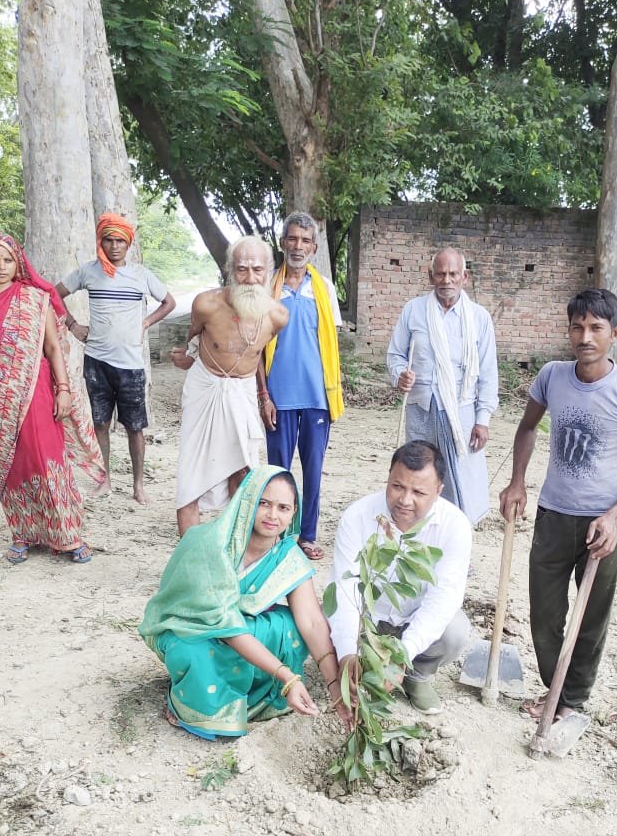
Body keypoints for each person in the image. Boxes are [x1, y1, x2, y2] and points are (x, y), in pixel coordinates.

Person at [499, 288, 617, 720]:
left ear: (614, 334)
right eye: (577, 327)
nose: (585, 337)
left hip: (601, 523)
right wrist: (517, 483)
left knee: (591, 619)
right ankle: (555, 689)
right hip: (553, 514)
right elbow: (527, 428)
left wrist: (614, 516)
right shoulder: (552, 376)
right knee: (544, 613)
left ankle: (571, 701)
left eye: (596, 328)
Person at [139, 465, 351, 740]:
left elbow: (312, 622)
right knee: (191, 651)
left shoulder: (287, 556)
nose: (272, 515)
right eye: (264, 503)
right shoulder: (212, 544)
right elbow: (225, 626)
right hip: (193, 630)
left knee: (292, 627)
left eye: (283, 508)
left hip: (240, 632)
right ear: (246, 501)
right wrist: (287, 677)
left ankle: (250, 696)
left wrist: (336, 688)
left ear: (294, 513)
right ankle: (190, 701)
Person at [0, 232, 105, 564]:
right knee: (11, 465)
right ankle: (23, 533)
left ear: (18, 262)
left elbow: (52, 347)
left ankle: (68, 534)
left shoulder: (35, 298)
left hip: (37, 390)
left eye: (8, 260)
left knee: (46, 457)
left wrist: (63, 389)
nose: (1, 266)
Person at [327, 441, 472, 716]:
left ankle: (417, 675)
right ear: (388, 478)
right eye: (397, 486)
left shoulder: (455, 526)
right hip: (368, 622)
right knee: (329, 624)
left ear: (439, 491)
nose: (405, 500)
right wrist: (347, 653)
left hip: (413, 620)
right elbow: (345, 588)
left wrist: (403, 655)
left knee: (455, 631)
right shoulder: (358, 516)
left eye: (418, 492)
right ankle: (366, 668)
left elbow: (443, 598)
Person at [170, 237, 288, 537]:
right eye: (242, 269)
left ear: (269, 271)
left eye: (257, 270)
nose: (250, 278)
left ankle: (234, 549)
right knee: (190, 476)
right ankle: (189, 557)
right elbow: (193, 341)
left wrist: (263, 395)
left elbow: (255, 355)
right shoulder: (206, 304)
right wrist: (186, 357)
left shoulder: (278, 316)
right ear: (229, 270)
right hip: (205, 389)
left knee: (244, 472)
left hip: (242, 393)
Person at [57, 213, 176, 504]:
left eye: (120, 241)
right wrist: (73, 325)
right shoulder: (88, 271)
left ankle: (138, 485)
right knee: (100, 423)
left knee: (135, 427)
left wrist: (146, 323)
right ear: (101, 242)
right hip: (96, 361)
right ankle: (105, 480)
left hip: (130, 365)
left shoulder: (141, 275)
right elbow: (54, 294)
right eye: (108, 240)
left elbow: (169, 302)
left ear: (128, 244)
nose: (114, 246)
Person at [387, 247, 499, 525]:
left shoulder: (479, 318)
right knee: (419, 473)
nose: (446, 280)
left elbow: (488, 373)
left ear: (464, 277)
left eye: (453, 274)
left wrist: (483, 420)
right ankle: (417, 532)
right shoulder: (414, 311)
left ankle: (457, 533)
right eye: (440, 274)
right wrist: (400, 375)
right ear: (431, 276)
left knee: (462, 476)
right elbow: (395, 355)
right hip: (422, 409)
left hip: (462, 413)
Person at [258, 211, 344, 561]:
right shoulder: (267, 287)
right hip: (278, 397)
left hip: (316, 397)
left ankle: (306, 535)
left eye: (305, 240)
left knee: (312, 471)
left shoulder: (324, 289)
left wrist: (333, 393)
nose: (298, 246)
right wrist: (263, 396)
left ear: (314, 247)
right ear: (282, 242)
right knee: (278, 472)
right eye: (292, 238)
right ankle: (278, 536)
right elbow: (256, 348)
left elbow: (331, 344)